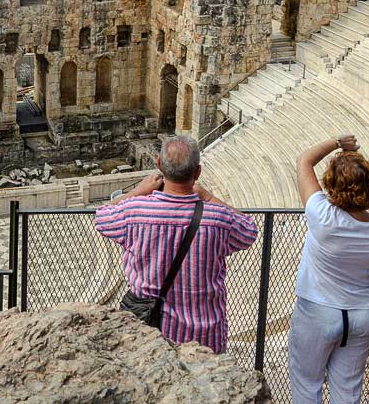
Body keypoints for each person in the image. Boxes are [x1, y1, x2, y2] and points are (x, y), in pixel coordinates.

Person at [94, 135, 258, 353]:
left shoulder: (135, 212)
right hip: (205, 336)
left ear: (159, 164)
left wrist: (138, 191)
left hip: (151, 333)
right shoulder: (218, 219)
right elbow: (249, 228)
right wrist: (207, 197)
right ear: (197, 172)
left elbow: (102, 216)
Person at [287, 135, 369, 404]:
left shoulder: (322, 216)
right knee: (348, 390)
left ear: (331, 185)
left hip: (318, 312)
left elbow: (304, 161)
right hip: (362, 314)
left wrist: (338, 143)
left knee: (306, 385)